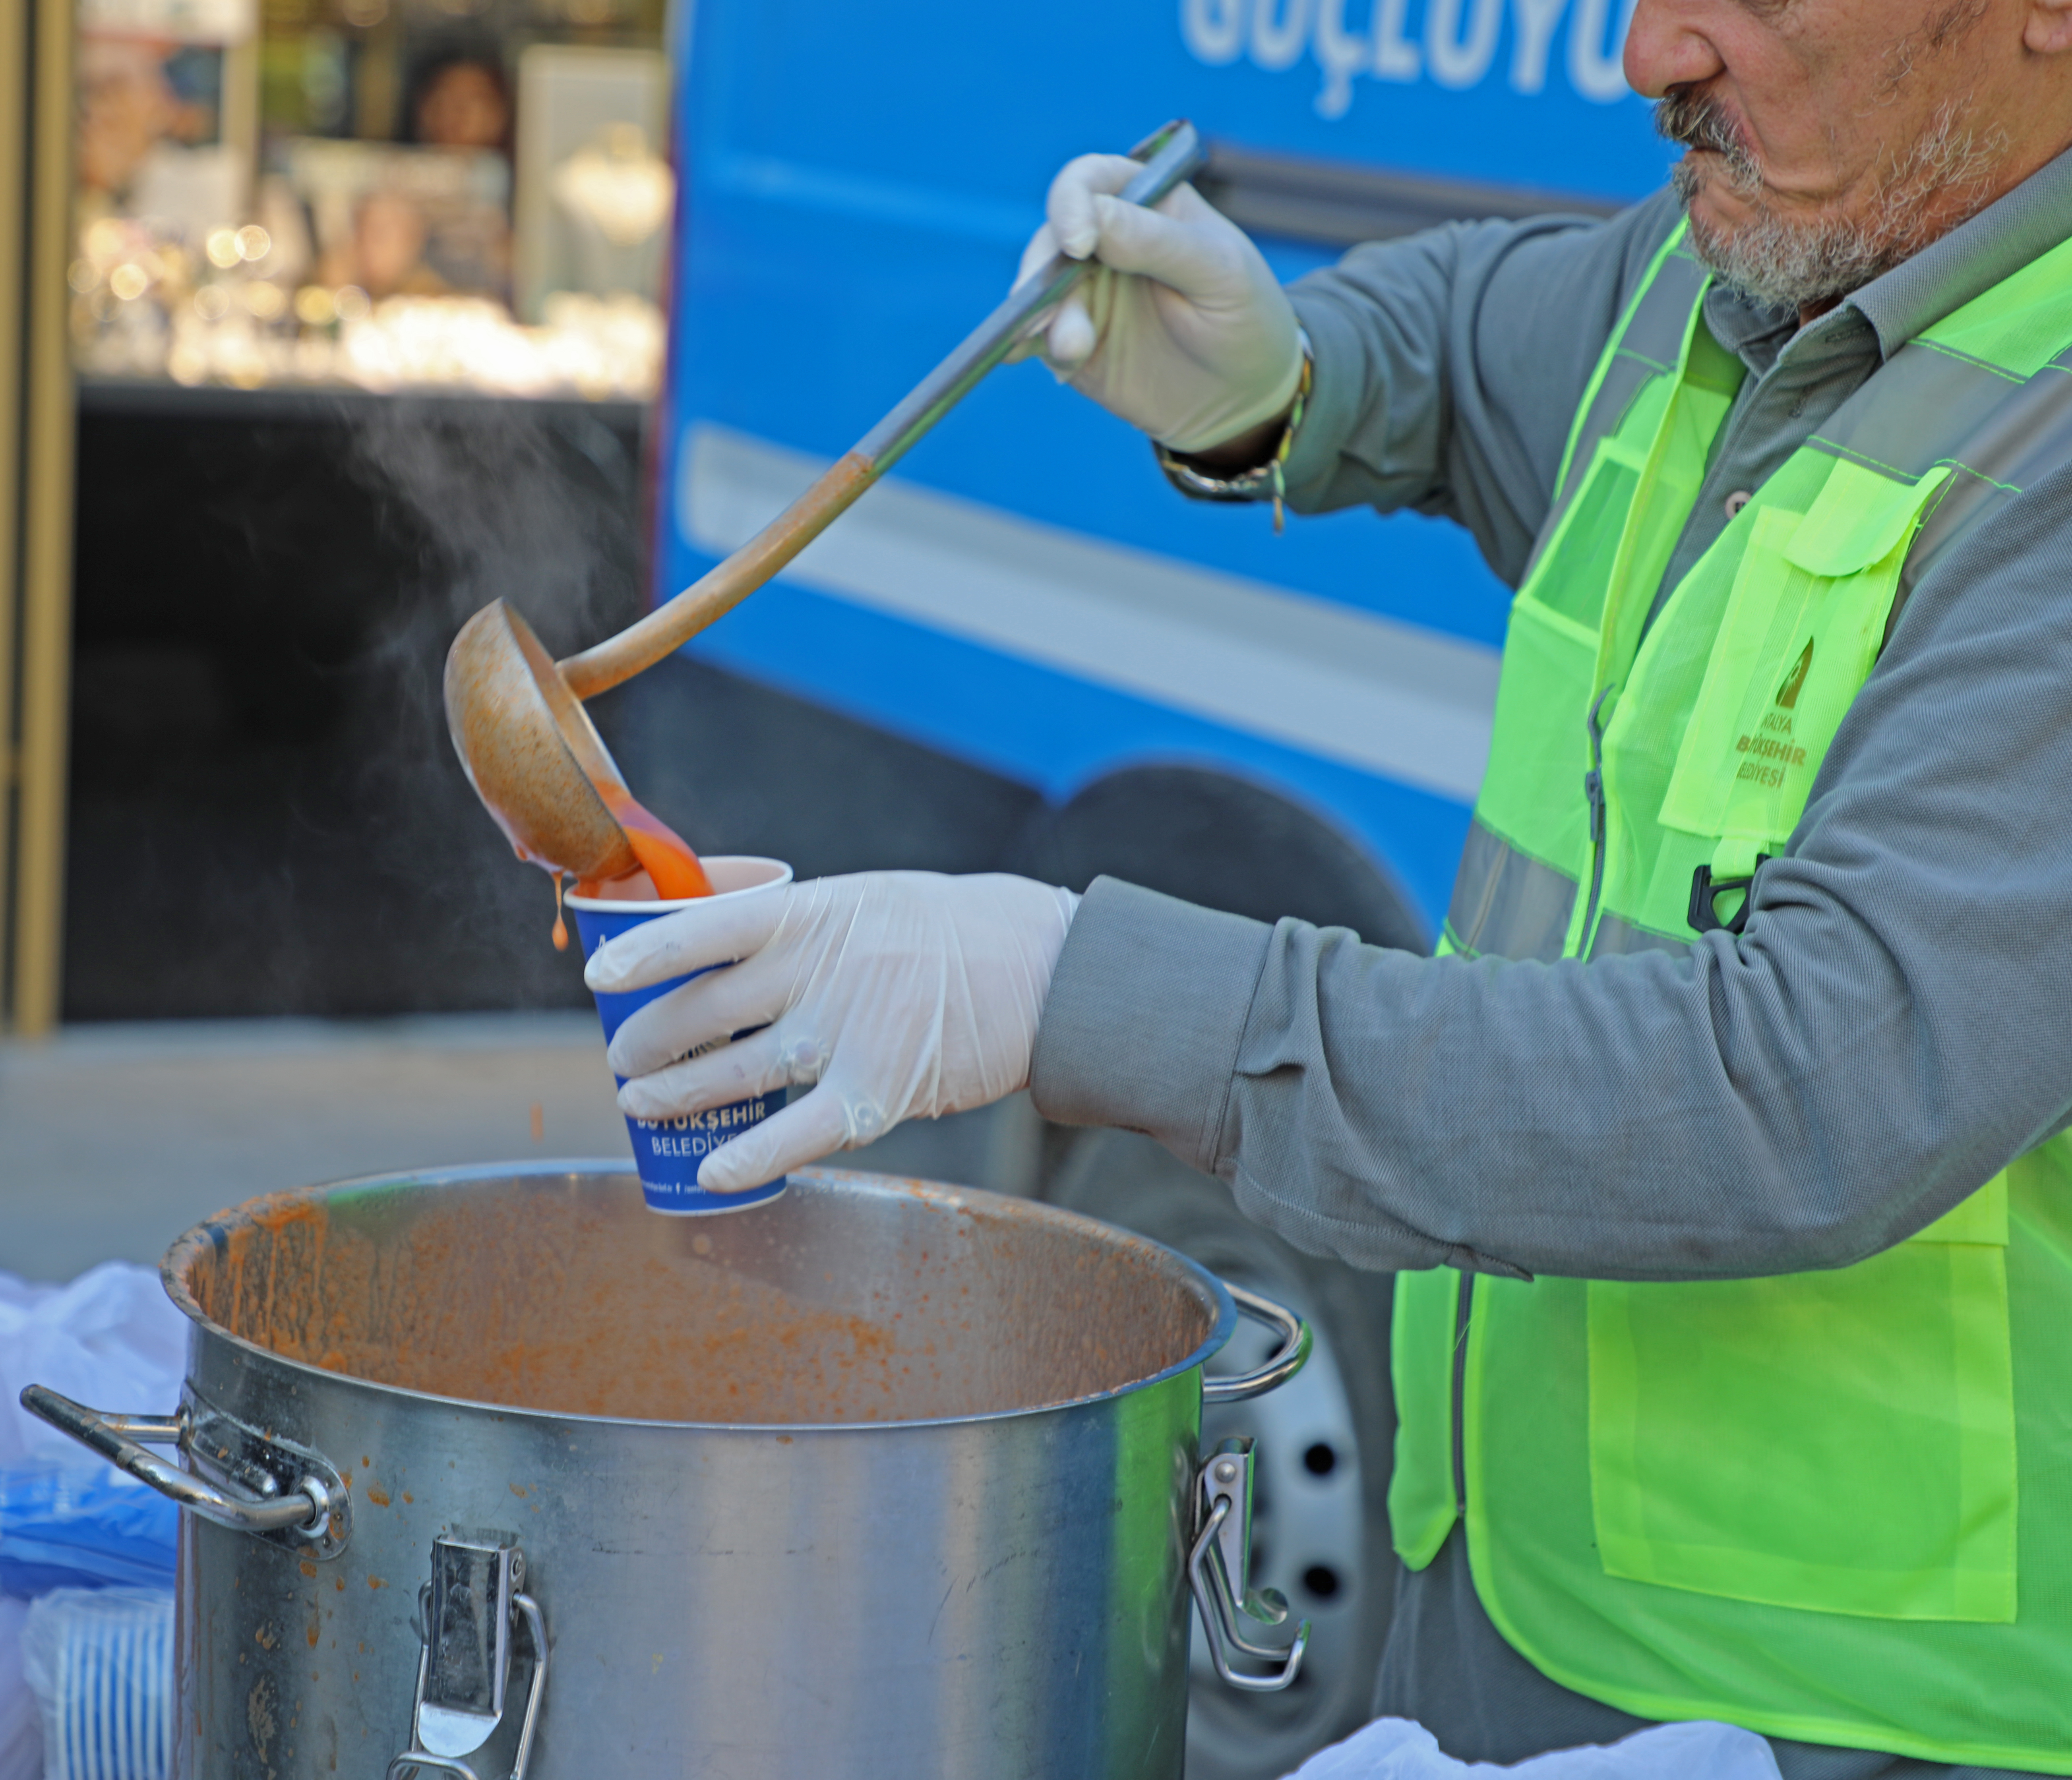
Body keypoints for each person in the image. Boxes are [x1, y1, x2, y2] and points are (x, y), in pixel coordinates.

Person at [583, 1, 2072, 1774]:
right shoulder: (1749, 269)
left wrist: (1071, 990)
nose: (1643, 54)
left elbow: (1811, 1086)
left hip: (1877, 1722)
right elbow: (1465, 333)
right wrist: (1282, 376)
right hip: (1511, 1639)